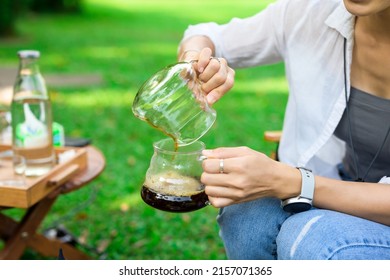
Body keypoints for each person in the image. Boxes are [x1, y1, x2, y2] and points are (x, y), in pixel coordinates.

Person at [177, 0, 390, 260]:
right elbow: (206, 36)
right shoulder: (311, 11)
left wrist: (294, 182)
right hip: (339, 179)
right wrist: (196, 62)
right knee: (248, 214)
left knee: (314, 238)